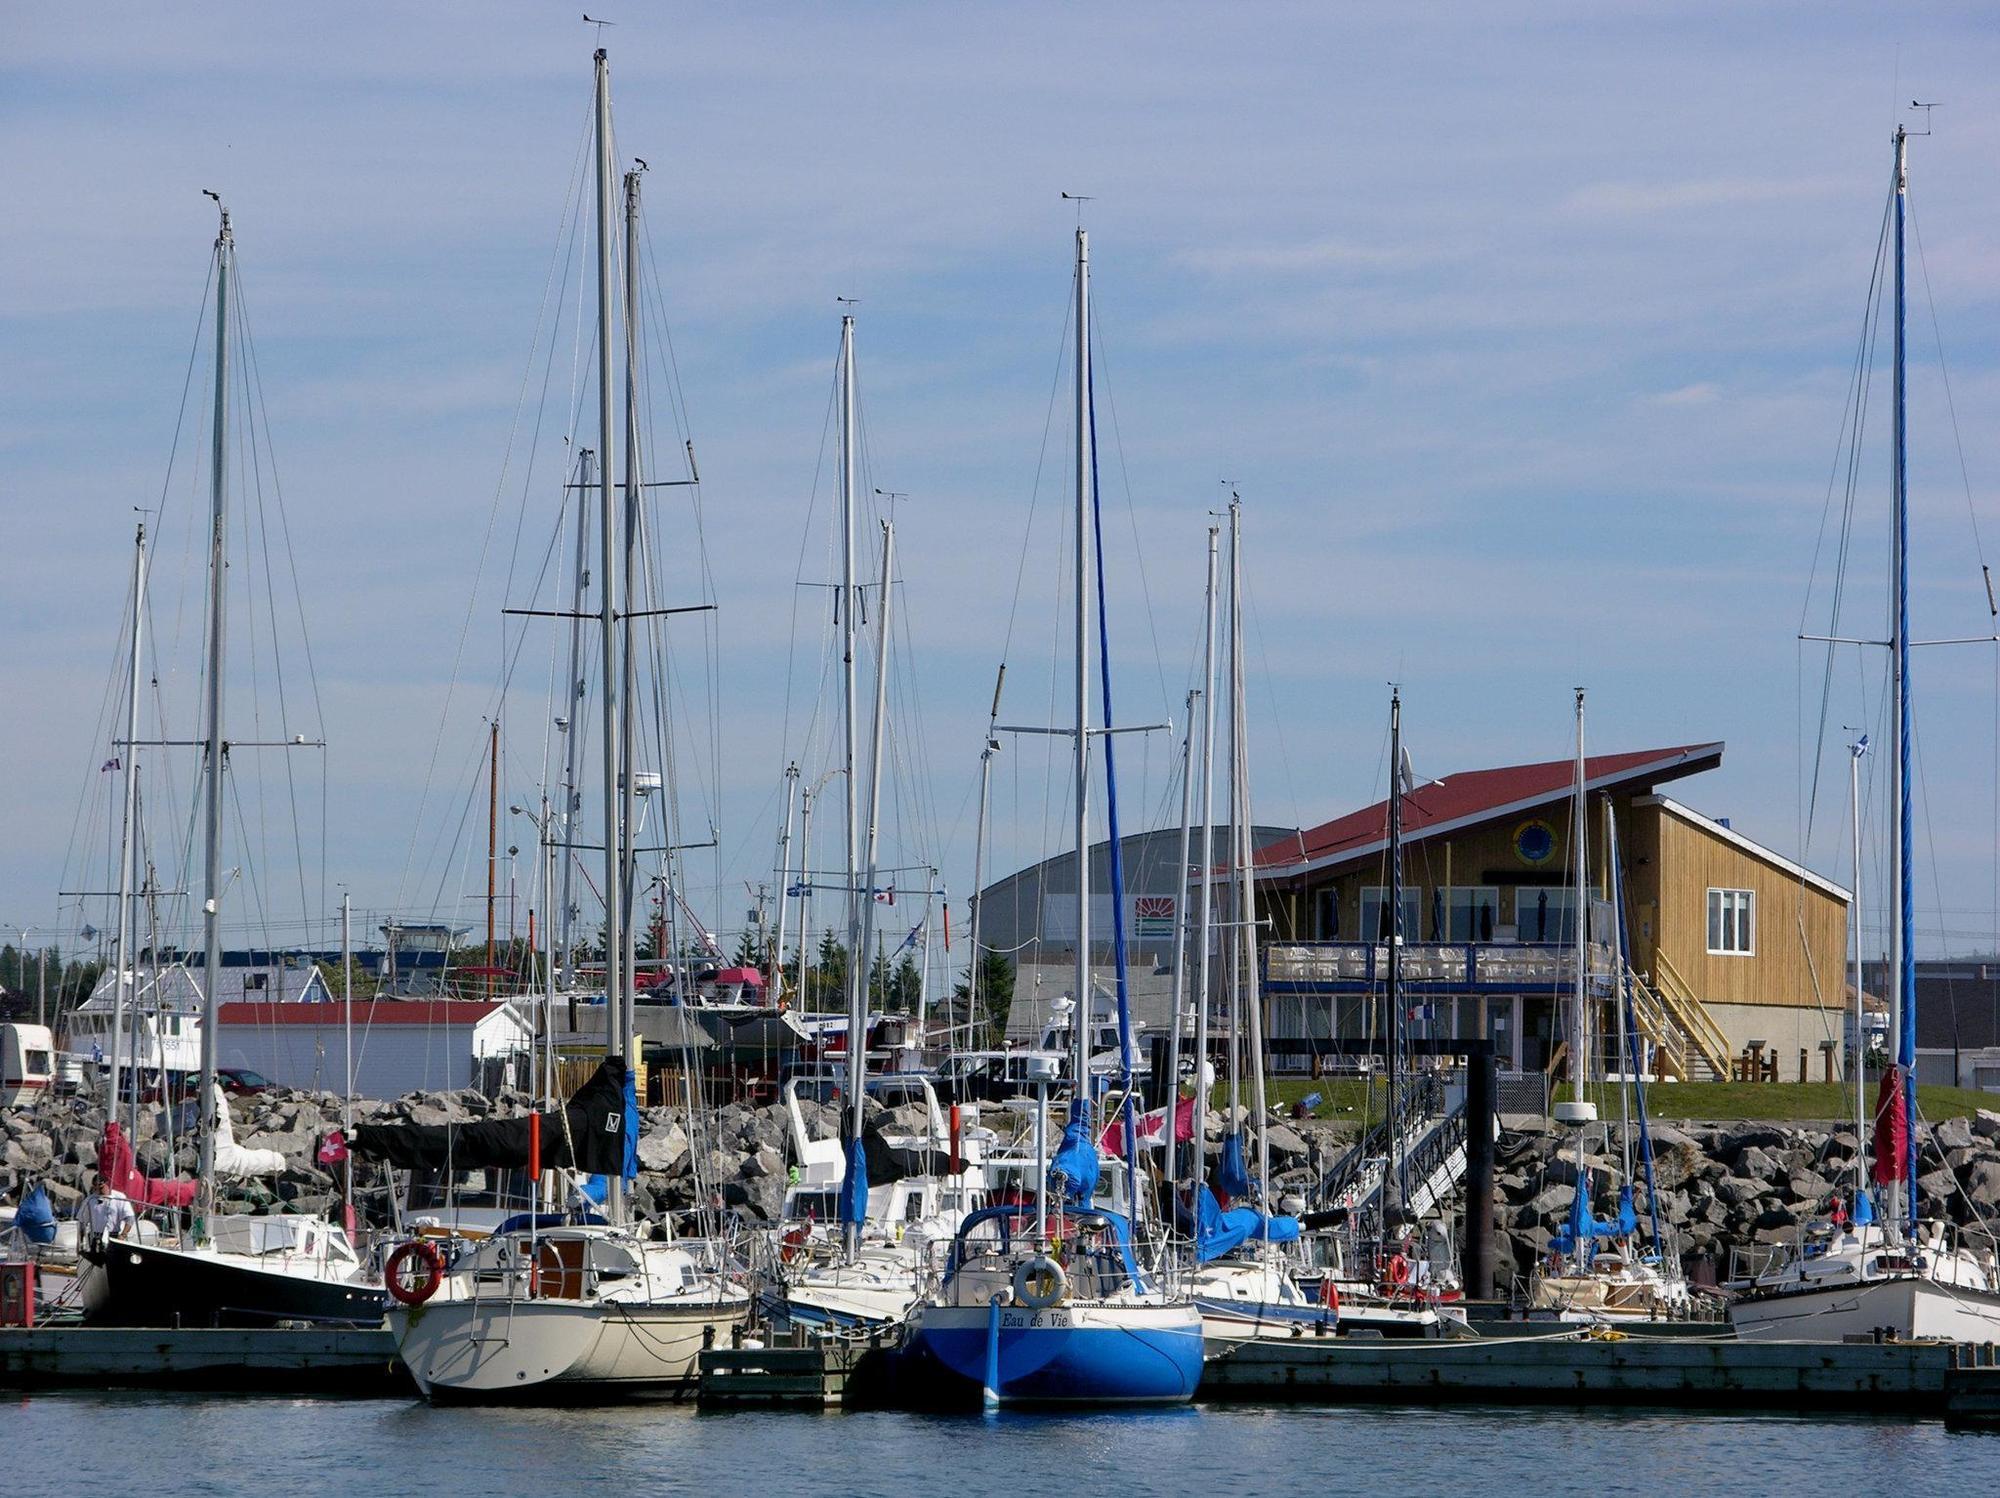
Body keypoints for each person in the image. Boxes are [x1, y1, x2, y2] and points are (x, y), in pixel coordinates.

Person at [79, 1174, 136, 1242]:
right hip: (94, 1237)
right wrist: (81, 1241)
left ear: (107, 1183)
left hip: (112, 1236)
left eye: (101, 1187)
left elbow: (130, 1218)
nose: (98, 1190)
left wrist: (123, 1235)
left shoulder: (119, 1197)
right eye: (95, 1187)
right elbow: (82, 1221)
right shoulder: (90, 1199)